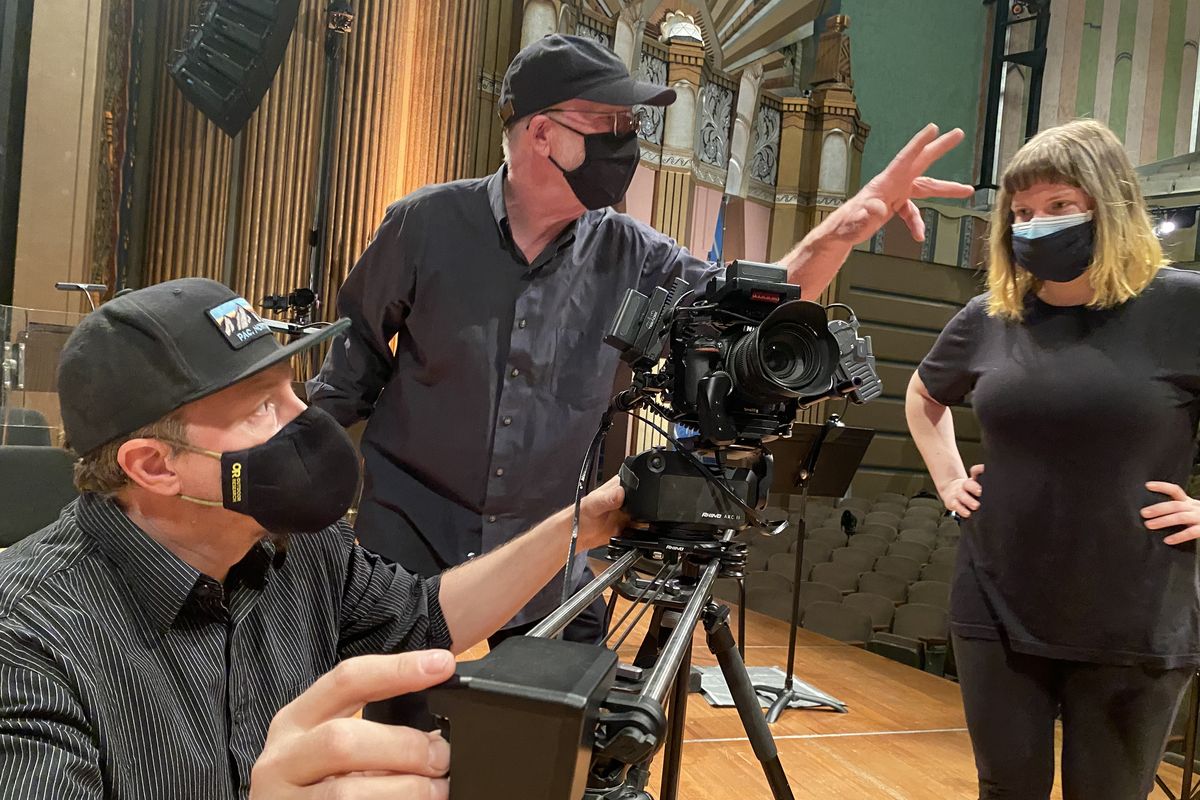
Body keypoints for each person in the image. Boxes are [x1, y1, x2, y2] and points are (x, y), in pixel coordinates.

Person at [307, 33, 975, 657]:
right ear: (542, 132)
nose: (628, 143)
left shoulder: (632, 251)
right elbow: (349, 373)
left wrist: (841, 230)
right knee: (395, 752)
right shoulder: (423, 225)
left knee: (549, 761)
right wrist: (286, 498)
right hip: (411, 534)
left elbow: (744, 310)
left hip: (546, 546)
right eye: (609, 125)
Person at [0, 278, 626, 800]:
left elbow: (423, 617)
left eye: (291, 388)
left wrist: (587, 522)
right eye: (258, 408)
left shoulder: (296, 545)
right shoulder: (25, 638)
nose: (307, 421)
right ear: (154, 466)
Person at [906, 118, 1200, 800]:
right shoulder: (989, 316)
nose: (1036, 225)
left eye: (1060, 206)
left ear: (1111, 202)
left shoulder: (1185, 308)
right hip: (998, 598)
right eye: (1023, 212)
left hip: (1135, 609)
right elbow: (924, 395)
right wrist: (950, 479)